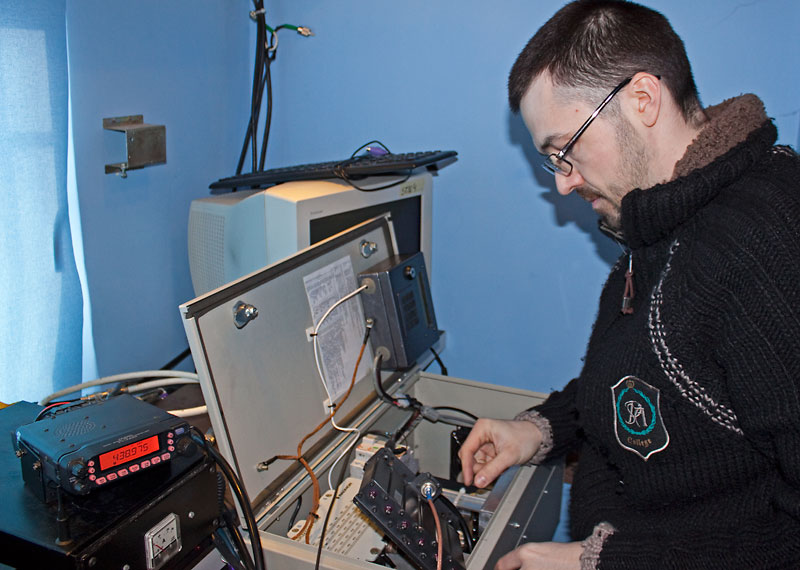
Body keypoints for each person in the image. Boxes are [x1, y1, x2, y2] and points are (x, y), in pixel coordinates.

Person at [458, 1, 800, 568]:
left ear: (642, 99)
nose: (564, 183)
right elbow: (646, 381)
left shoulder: (766, 245)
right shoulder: (667, 217)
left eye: (565, 150)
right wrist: (541, 430)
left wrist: (599, 561)